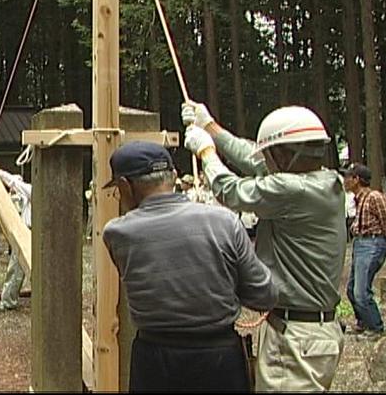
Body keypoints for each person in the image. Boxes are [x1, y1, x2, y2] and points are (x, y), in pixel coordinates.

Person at [183, 101, 346, 391]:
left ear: (285, 155)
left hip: (296, 337)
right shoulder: (324, 181)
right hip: (306, 332)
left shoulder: (294, 190)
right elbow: (256, 161)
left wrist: (206, 152)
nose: (266, 160)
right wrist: (211, 127)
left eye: (271, 153)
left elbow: (230, 191)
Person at [101, 140, 278, 392]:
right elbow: (264, 296)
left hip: (155, 360)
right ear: (173, 176)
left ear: (124, 186)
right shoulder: (225, 222)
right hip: (219, 358)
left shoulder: (117, 233)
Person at [342, 162, 386, 340]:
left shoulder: (374, 196)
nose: (344, 180)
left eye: (348, 177)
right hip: (360, 244)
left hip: (372, 243)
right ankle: (363, 322)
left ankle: (376, 327)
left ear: (356, 179)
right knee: (351, 289)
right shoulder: (359, 200)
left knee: (361, 291)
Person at [0, 167, 31, 312]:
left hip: (28, 232)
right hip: (26, 231)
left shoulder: (31, 191)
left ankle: (8, 301)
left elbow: (13, 182)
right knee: (17, 268)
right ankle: (8, 299)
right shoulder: (24, 197)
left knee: (16, 268)